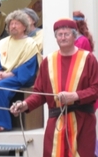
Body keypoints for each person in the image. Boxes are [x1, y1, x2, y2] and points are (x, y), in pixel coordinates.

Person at [10, 18, 98, 157]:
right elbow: (40, 93)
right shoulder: (48, 61)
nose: (62, 37)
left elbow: (95, 89)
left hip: (82, 122)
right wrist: (25, 104)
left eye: (67, 34)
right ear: (55, 37)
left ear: (75, 36)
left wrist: (75, 96)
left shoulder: (88, 59)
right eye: (59, 34)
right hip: (56, 121)